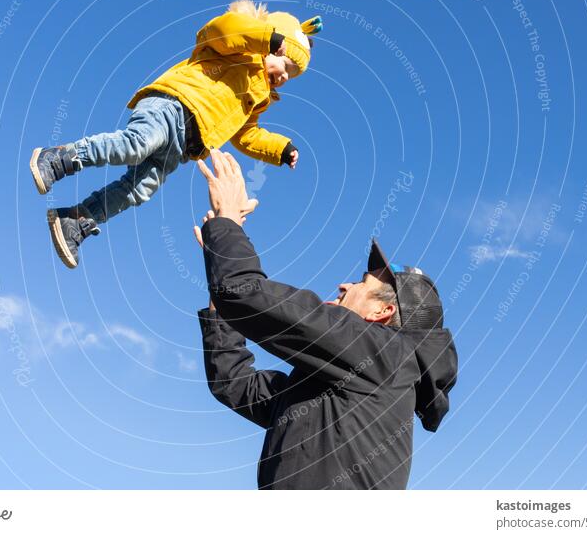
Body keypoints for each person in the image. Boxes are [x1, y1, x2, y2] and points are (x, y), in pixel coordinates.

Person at [193, 149, 458, 489]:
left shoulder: (388, 356)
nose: (345, 284)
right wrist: (221, 289)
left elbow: (244, 291)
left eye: (362, 283)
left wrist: (227, 222)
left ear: (382, 312)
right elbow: (233, 383)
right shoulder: (328, 381)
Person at [29, 0, 323, 268]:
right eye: (285, 65)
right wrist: (264, 38)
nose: (284, 77)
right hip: (172, 107)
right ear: (271, 41)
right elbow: (222, 30)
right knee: (136, 144)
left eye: (290, 76)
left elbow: (246, 136)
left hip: (183, 147)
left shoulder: (257, 98)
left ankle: (75, 219)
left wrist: (281, 149)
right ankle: (59, 159)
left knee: (140, 188)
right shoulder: (237, 49)